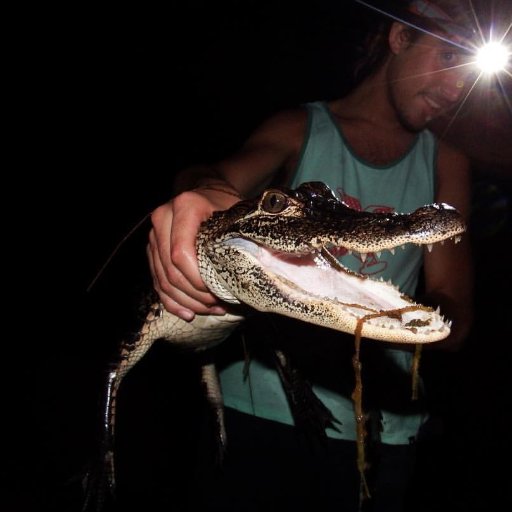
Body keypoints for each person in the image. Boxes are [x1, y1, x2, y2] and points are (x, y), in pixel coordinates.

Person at [147, 0, 474, 510]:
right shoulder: (299, 127)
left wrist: (392, 320)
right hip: (260, 409)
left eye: (469, 71)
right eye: (449, 55)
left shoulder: (447, 160)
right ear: (400, 38)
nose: (457, 88)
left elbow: (455, 308)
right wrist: (207, 194)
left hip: (381, 434)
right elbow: (207, 180)